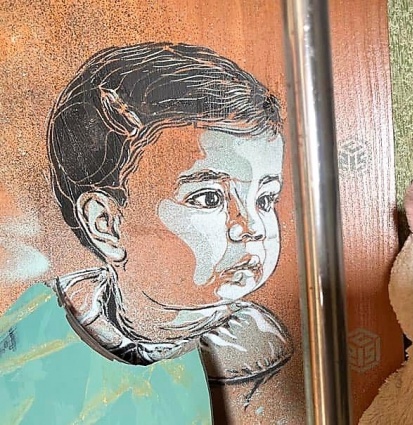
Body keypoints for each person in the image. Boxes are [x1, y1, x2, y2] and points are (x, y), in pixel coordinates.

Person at [0, 42, 292, 421]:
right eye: (208, 198)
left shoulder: (255, 351)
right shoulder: (39, 320)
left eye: (265, 199)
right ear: (106, 225)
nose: (252, 228)